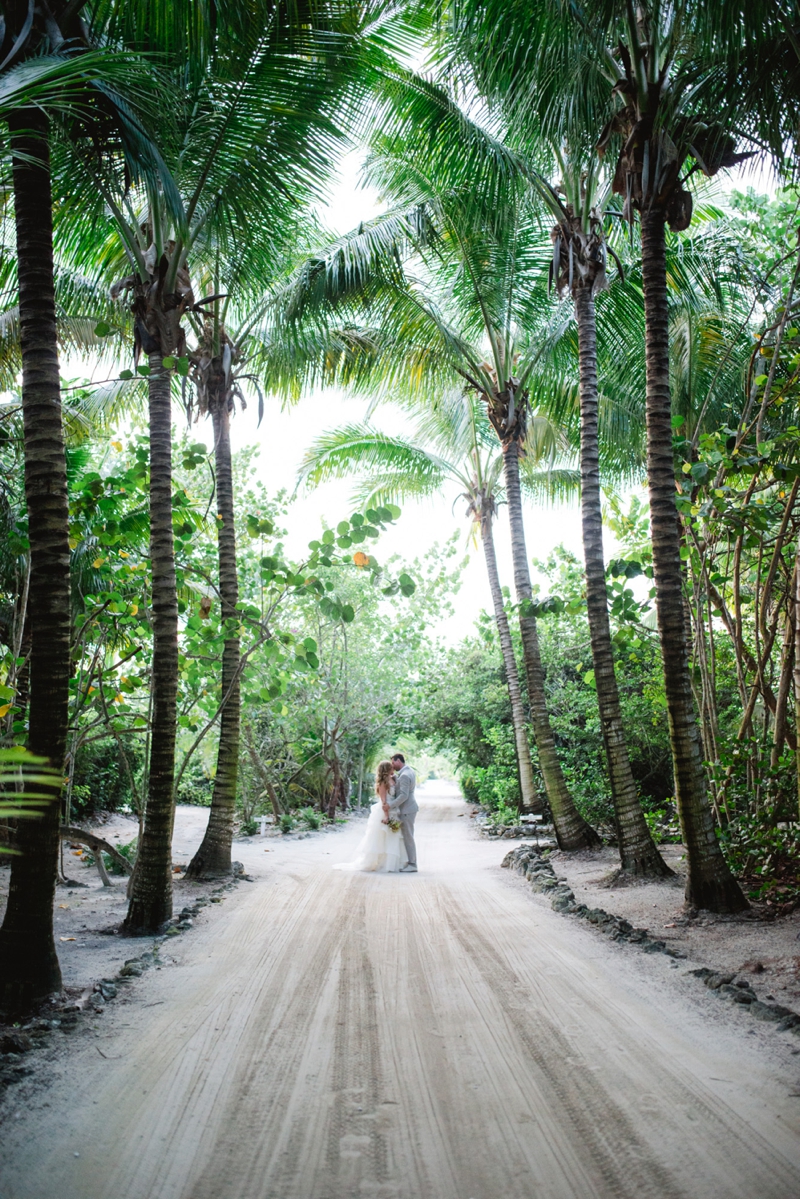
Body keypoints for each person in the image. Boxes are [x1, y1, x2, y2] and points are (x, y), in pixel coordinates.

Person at [333, 760, 407, 873]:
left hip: (394, 810)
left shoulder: (393, 779)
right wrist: (386, 816)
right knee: (382, 837)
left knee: (393, 836)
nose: (393, 769)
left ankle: (390, 863)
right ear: (387, 769)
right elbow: (383, 800)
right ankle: (379, 863)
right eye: (391, 767)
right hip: (385, 810)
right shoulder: (383, 783)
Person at [387, 753, 418, 872]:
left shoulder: (404, 775)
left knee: (408, 836)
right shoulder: (408, 771)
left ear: (398, 761)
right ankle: (410, 862)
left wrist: (390, 805)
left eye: (393, 762)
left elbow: (404, 795)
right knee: (407, 835)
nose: (392, 765)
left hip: (407, 809)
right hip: (409, 808)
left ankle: (412, 864)